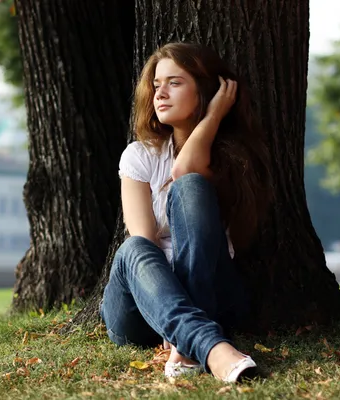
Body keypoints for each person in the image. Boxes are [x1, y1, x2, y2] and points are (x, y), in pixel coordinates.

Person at [100, 42, 271, 382]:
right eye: (156, 84)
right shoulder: (140, 156)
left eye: (174, 83)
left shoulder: (230, 158)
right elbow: (145, 242)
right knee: (133, 248)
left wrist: (213, 115)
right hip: (143, 305)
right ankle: (212, 349)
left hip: (212, 292)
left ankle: (191, 345)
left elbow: (185, 172)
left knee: (190, 186)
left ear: (206, 91)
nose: (160, 93)